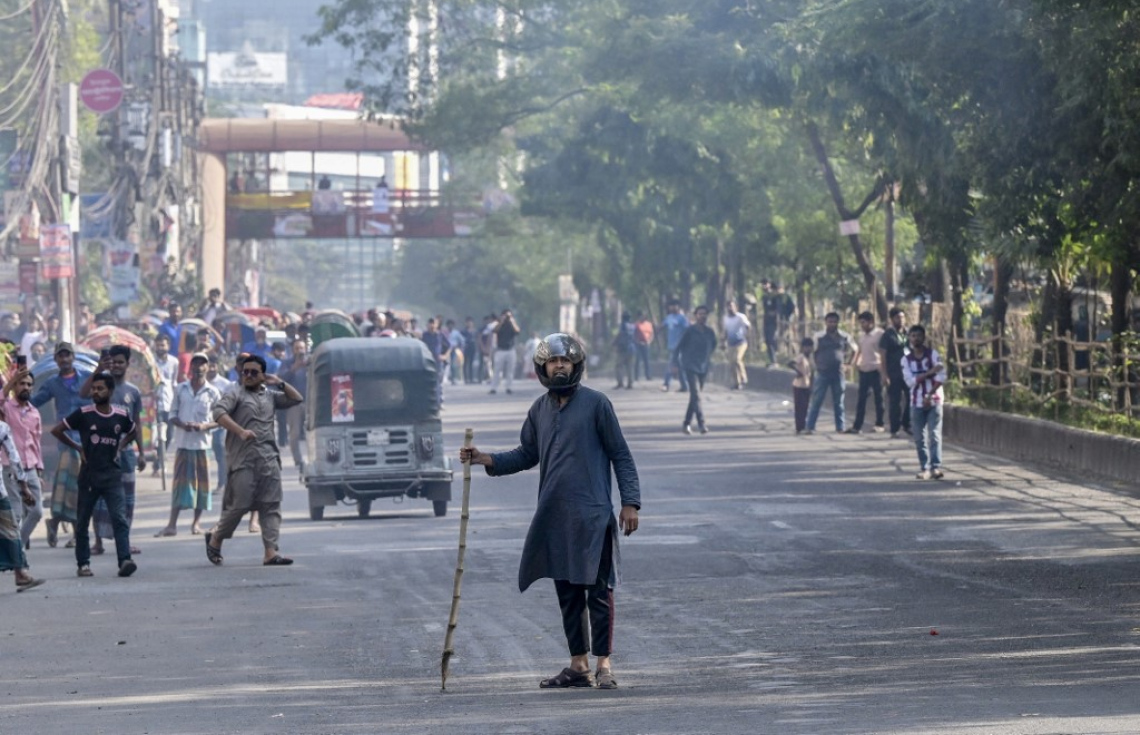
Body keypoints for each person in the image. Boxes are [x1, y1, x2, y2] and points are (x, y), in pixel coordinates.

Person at [459, 333, 640, 690]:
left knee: (599, 592)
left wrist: (630, 502)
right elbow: (527, 453)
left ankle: (604, 664)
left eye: (565, 361)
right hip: (555, 516)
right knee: (568, 592)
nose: (559, 366)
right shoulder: (539, 410)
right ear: (543, 367)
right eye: (553, 361)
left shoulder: (597, 404)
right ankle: (578, 665)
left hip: (593, 515)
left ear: (576, 366)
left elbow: (620, 454)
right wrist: (486, 459)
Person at [206, 354, 302, 567]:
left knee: (271, 506)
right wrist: (239, 431)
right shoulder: (235, 394)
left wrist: (279, 382)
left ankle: (270, 552)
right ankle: (215, 539)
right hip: (243, 460)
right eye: (244, 372)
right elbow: (218, 413)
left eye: (253, 372)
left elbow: (296, 399)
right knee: (239, 506)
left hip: (268, 459)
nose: (247, 375)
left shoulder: (270, 395)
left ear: (262, 375)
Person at [51, 373, 138, 578]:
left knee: (119, 518)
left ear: (110, 391)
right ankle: (83, 564)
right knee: (82, 522)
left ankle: (124, 560)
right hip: (89, 476)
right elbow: (57, 430)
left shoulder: (121, 414)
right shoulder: (83, 413)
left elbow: (133, 431)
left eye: (100, 388)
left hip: (112, 476)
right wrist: (78, 448)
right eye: (94, 389)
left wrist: (121, 445)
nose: (96, 392)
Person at [81, 345, 146, 556]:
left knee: (127, 498)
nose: (116, 365)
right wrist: (98, 369)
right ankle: (98, 542)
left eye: (120, 362)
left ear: (128, 364)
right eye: (113, 362)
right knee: (98, 496)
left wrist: (142, 452)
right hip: (100, 452)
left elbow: (136, 423)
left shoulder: (133, 392)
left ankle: (124, 542)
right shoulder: (100, 385)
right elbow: (83, 394)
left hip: (125, 453)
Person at [30, 342, 92, 548]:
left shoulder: (85, 378)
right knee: (72, 485)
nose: (64, 360)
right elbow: (34, 403)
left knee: (73, 485)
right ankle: (76, 532)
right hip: (66, 440)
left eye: (67, 356)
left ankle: (55, 521)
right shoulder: (52, 383)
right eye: (60, 356)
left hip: (86, 439)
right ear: (56, 360)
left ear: (72, 357)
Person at [156, 354, 221, 536]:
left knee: (202, 486)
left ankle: (196, 523)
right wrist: (183, 424)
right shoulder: (180, 389)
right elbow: (172, 414)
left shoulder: (213, 392)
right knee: (180, 485)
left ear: (207, 368)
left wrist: (203, 426)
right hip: (183, 444)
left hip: (202, 445)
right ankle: (172, 524)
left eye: (203, 364)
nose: (199, 367)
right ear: (190, 367)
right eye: (196, 364)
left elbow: (220, 419)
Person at [2, 368, 44, 549]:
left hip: (31, 468)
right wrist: (11, 381)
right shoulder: (7, 408)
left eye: (28, 384)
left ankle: (17, 547)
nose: (25, 387)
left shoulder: (34, 412)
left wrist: (39, 467)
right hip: (10, 467)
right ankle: (15, 554)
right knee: (16, 512)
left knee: (36, 511)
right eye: (21, 384)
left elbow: (36, 441)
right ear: (15, 387)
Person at [0, 414, 43, 591]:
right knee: (11, 531)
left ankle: (21, 573)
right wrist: (24, 487)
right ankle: (20, 574)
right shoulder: (2, 427)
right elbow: (14, 458)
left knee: (11, 530)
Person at [902, 325, 947, 480]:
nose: (916, 339)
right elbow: (910, 381)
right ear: (909, 339)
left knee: (934, 435)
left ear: (924, 337)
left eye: (918, 335)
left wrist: (929, 393)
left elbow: (941, 375)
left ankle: (935, 467)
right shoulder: (906, 360)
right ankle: (925, 467)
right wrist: (929, 373)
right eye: (913, 336)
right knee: (919, 437)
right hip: (916, 402)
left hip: (934, 400)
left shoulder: (933, 355)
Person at [805, 312, 853, 435]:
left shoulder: (844, 336)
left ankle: (840, 427)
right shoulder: (819, 337)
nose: (832, 324)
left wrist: (848, 365)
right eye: (830, 321)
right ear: (825, 322)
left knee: (839, 402)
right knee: (817, 400)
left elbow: (855, 349)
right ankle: (810, 426)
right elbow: (812, 352)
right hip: (822, 373)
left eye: (834, 321)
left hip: (838, 373)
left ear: (838, 323)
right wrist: (814, 366)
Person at [676, 305, 718, 435]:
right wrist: (675, 363)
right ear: (696, 316)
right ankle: (701, 423)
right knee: (696, 395)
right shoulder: (690, 331)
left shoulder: (710, 332)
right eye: (700, 314)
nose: (702, 316)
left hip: (703, 367)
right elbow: (679, 347)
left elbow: (713, 345)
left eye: (704, 314)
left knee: (694, 397)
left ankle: (686, 423)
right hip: (690, 366)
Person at [847, 311, 886, 434]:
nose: (862, 325)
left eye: (864, 322)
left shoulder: (880, 334)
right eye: (861, 323)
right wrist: (854, 364)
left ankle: (879, 423)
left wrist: (885, 371)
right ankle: (857, 426)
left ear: (871, 322)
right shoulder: (861, 336)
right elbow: (859, 351)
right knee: (861, 399)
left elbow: (883, 352)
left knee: (878, 398)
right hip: (864, 369)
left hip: (876, 369)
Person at [277, 339, 309, 475]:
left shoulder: (310, 363)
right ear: (293, 350)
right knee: (294, 434)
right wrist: (293, 369)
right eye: (297, 348)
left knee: (311, 432)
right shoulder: (287, 363)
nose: (299, 351)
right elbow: (280, 380)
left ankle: (313, 459)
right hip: (293, 403)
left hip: (309, 402)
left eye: (301, 348)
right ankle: (298, 460)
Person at [880, 307, 912, 438]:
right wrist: (884, 374)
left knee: (912, 398)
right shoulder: (888, 335)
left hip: (908, 373)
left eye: (903, 317)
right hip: (893, 373)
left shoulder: (908, 333)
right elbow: (882, 355)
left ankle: (907, 423)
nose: (901, 320)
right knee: (895, 402)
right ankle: (894, 428)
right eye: (898, 317)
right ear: (892, 319)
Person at [153, 334, 180, 476]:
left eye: (163, 345)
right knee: (156, 436)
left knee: (169, 435)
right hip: (154, 403)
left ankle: (159, 461)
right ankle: (159, 464)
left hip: (169, 402)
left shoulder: (174, 362)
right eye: (158, 345)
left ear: (168, 346)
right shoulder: (150, 362)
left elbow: (174, 383)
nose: (160, 348)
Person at [206, 355, 232, 493]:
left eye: (213, 366)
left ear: (217, 367)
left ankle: (222, 484)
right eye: (208, 366)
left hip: (219, 425)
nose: (210, 369)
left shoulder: (225, 384)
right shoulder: (200, 383)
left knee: (221, 455)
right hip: (203, 425)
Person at [659, 300, 689, 393]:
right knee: (679, 366)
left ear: (678, 307)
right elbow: (662, 326)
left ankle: (666, 384)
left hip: (680, 346)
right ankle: (684, 386)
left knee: (672, 364)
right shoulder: (668, 318)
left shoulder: (682, 318)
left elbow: (688, 329)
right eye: (670, 306)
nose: (672, 308)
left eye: (674, 306)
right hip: (671, 345)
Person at [490, 308, 521, 395]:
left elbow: (518, 331)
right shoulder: (499, 324)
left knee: (510, 370)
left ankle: (509, 387)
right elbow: (495, 331)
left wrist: (512, 321)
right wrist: (501, 321)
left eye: (509, 315)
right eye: (506, 315)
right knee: (497, 370)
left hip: (511, 350)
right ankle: (494, 388)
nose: (507, 317)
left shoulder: (512, 324)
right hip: (500, 350)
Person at [722, 299, 751, 390]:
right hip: (731, 343)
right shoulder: (726, 318)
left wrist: (746, 334)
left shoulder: (741, 317)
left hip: (741, 342)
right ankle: (736, 383)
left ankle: (743, 378)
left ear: (736, 307)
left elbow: (748, 326)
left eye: (732, 306)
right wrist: (723, 341)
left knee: (737, 359)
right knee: (731, 363)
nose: (731, 308)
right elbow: (725, 331)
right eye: (729, 306)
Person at [791, 337, 814, 435]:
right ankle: (799, 427)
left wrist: (812, 386)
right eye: (806, 347)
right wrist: (798, 372)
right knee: (799, 407)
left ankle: (803, 425)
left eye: (810, 347)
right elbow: (790, 363)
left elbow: (812, 372)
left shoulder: (811, 359)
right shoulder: (801, 357)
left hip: (807, 385)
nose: (808, 349)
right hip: (798, 385)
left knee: (805, 407)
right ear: (803, 347)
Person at [611, 314, 636, 390]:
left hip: (623, 348)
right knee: (630, 366)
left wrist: (614, 343)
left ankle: (620, 383)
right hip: (631, 347)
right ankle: (630, 383)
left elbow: (620, 334)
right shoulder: (632, 326)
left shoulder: (623, 325)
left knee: (619, 366)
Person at [760, 281, 781, 365]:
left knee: (772, 340)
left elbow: (778, 310)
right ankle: (771, 360)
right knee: (767, 340)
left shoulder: (775, 297)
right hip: (766, 321)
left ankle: (774, 360)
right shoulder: (765, 297)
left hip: (773, 322)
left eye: (765, 284)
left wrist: (773, 313)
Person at [633, 313, 654, 382]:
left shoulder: (649, 324)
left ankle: (648, 376)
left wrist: (649, 341)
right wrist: (637, 341)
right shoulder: (636, 324)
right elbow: (633, 334)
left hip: (646, 344)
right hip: (638, 344)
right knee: (637, 360)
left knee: (646, 360)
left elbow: (651, 334)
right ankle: (636, 376)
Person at [461, 317, 478, 384]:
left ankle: (471, 378)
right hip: (466, 348)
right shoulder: (463, 331)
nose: (469, 324)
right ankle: (465, 378)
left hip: (472, 348)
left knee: (471, 363)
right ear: (466, 323)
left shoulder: (474, 331)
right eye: (468, 322)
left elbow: (477, 339)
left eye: (470, 322)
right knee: (465, 363)